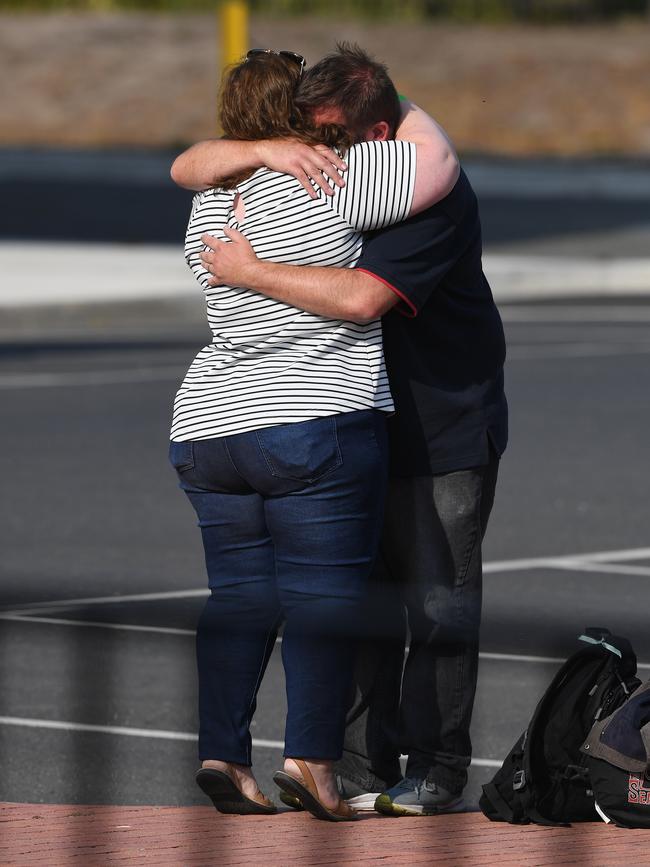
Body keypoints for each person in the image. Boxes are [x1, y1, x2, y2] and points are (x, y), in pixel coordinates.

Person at [171, 43, 508, 817]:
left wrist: (249, 264)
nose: (325, 146)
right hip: (330, 421)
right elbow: (432, 149)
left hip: (430, 424)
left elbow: (361, 296)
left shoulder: (224, 198)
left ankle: (428, 765)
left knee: (423, 601)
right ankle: (340, 763)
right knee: (345, 599)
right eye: (311, 129)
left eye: (336, 131)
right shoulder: (345, 179)